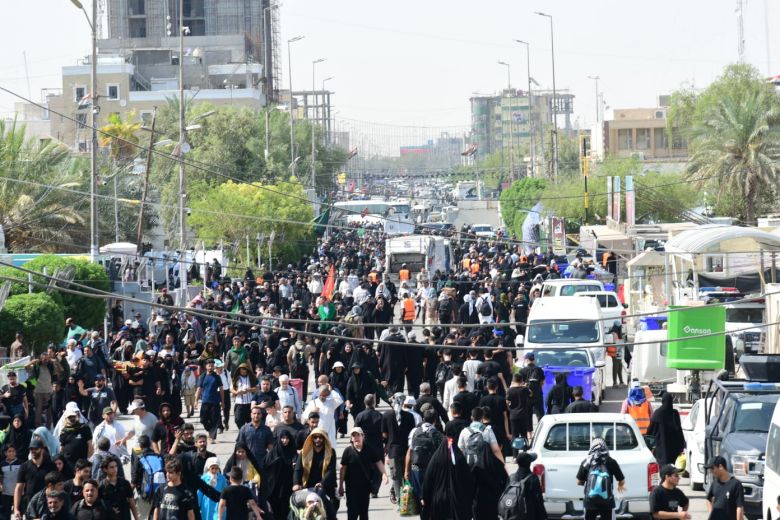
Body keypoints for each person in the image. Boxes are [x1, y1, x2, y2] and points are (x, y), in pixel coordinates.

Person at [338, 427, 387, 520]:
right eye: (354, 435)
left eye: (358, 435)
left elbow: (378, 461)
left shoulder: (369, 449)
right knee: (352, 512)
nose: (356, 437)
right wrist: (340, 486)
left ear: (363, 436)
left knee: (364, 512)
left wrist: (384, 474)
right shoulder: (348, 451)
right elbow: (343, 468)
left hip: (365, 487)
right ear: (351, 438)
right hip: (351, 488)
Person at [421, 437, 473, 520]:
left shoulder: (436, 459)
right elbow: (468, 480)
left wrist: (424, 497)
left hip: (439, 499)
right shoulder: (460, 458)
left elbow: (428, 479)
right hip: (458, 499)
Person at [576, 437, 626, 520]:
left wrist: (589, 483)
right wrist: (620, 486)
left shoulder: (586, 462)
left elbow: (578, 482)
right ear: (605, 447)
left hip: (590, 502)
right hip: (607, 501)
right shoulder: (611, 461)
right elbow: (621, 480)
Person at [293, 429, 337, 520]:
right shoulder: (304, 452)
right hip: (307, 486)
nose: (318, 439)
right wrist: (296, 483)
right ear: (311, 439)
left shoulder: (330, 452)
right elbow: (298, 469)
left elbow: (331, 470)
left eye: (320, 437)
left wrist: (322, 483)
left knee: (330, 511)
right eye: (315, 437)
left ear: (324, 439)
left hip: (324, 486)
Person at [14, 437, 56, 518]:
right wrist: (16, 509)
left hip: (46, 505)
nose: (33, 451)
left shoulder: (51, 466)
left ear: (42, 449)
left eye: (36, 448)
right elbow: (18, 488)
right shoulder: (24, 466)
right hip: (29, 505)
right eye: (31, 449)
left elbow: (56, 485)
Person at [501, 451, 547, 520]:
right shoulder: (533, 479)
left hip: (513, 514)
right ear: (529, 463)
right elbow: (538, 500)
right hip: (529, 515)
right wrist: (543, 516)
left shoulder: (511, 477)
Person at [263, 430, 297, 520]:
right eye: (283, 438)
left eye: (287, 438)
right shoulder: (273, 452)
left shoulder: (292, 452)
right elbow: (266, 466)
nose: (285, 440)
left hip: (287, 485)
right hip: (274, 485)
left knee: (286, 506)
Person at [646, 393, 686, 466]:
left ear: (663, 401)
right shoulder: (675, 414)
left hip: (661, 449)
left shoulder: (658, 414)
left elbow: (651, 430)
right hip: (674, 450)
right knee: (673, 468)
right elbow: (679, 431)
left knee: (663, 468)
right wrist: (682, 445)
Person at [97, 456, 137, 520]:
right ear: (105, 469)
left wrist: (136, 518)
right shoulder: (101, 487)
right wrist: (109, 509)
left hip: (125, 516)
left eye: (116, 466)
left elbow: (132, 502)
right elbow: (99, 505)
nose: (115, 469)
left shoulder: (125, 483)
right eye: (111, 467)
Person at [705, 455, 744, 520]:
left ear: (720, 467)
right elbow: (708, 499)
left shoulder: (736, 484)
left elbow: (739, 507)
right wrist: (711, 513)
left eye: (712, 468)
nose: (711, 471)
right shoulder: (715, 483)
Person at [194, 359, 223, 443]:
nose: (210, 367)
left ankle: (211, 437)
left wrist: (223, 401)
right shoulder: (202, 377)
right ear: (206, 366)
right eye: (209, 366)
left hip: (215, 402)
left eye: (212, 366)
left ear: (214, 367)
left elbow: (221, 389)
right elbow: (199, 389)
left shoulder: (217, 377)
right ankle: (210, 430)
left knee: (214, 420)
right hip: (205, 401)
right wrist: (196, 401)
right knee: (203, 419)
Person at [519, 353, 545, 421]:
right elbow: (542, 382)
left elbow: (520, 383)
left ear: (527, 360)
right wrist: (539, 389)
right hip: (538, 394)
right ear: (534, 360)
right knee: (540, 415)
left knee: (527, 416)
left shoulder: (522, 371)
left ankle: (528, 428)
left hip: (527, 395)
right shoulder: (539, 370)